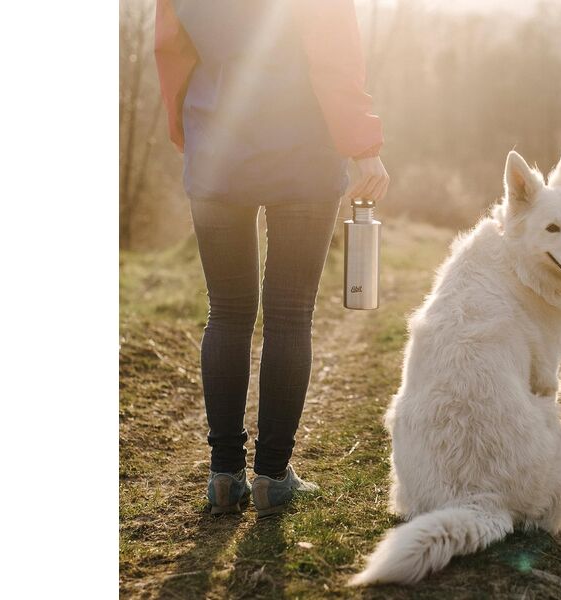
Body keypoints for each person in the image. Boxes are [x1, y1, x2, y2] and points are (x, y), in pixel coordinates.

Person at [154, 0, 389, 516]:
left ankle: (223, 475)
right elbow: (335, 55)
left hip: (216, 151)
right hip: (302, 155)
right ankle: (271, 477)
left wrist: (189, 133)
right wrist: (363, 144)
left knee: (227, 313)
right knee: (288, 314)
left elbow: (169, 52)